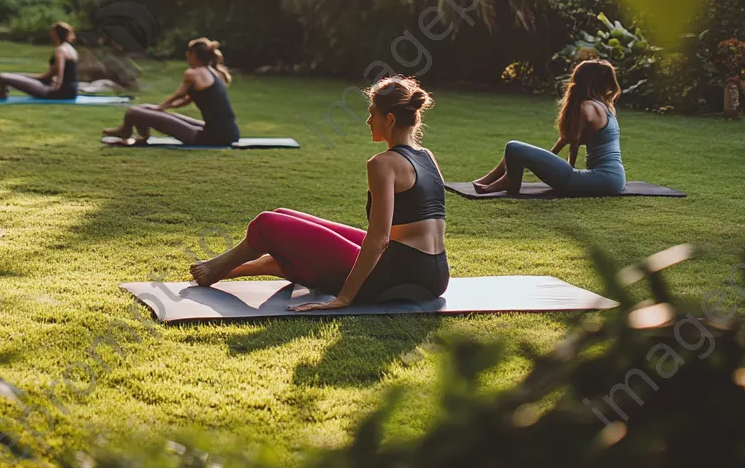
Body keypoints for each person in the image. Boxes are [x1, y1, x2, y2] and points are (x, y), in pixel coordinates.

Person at [188, 76, 450, 309]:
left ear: (390, 119)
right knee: (284, 215)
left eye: (373, 114)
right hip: (433, 275)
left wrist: (345, 298)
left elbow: (379, 240)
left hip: (395, 277)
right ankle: (252, 265)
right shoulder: (427, 156)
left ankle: (218, 268)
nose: (369, 120)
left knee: (267, 223)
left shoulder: (383, 164)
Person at [472, 58, 626, 196]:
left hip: (602, 178)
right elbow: (568, 138)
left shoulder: (587, 107)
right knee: (518, 151)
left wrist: (569, 169)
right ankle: (495, 178)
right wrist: (547, 158)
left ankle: (510, 181)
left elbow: (575, 142)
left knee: (513, 147)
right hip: (614, 178)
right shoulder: (606, 107)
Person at [101, 37, 239, 146]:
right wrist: (161, 109)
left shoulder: (193, 73)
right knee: (145, 108)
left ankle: (127, 131)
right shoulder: (213, 72)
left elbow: (178, 95)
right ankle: (137, 135)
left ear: (193, 54)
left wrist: (160, 108)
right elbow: (186, 100)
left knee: (134, 111)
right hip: (229, 132)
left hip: (211, 137)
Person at [0, 22, 79, 100]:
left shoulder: (60, 50)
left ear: (56, 34)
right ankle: (1, 92)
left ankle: (2, 93)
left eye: (52, 32)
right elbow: (48, 76)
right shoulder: (71, 50)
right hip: (71, 91)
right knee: (13, 76)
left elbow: (60, 71)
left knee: (3, 76)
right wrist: (22, 76)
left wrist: (57, 88)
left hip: (59, 92)